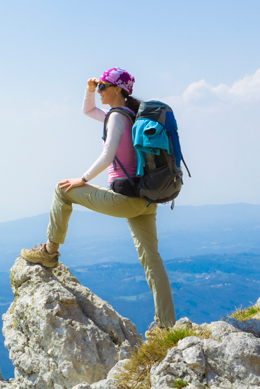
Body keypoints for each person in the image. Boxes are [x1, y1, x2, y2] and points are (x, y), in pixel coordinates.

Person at [20, 67, 176, 335]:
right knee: (152, 260)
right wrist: (89, 89)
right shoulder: (128, 115)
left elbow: (107, 155)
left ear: (118, 89)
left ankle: (49, 252)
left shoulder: (116, 117)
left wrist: (82, 179)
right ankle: (166, 325)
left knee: (62, 190)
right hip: (145, 199)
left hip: (125, 199)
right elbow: (88, 110)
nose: (100, 91)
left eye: (103, 86)